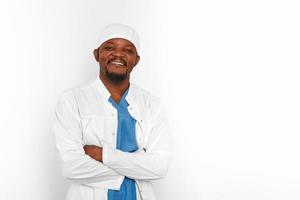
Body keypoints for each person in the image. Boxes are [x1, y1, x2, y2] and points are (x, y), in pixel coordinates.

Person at [53, 23, 171, 200]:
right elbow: (71, 166)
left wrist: (102, 154)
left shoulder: (152, 103)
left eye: (128, 50)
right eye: (109, 47)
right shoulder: (72, 100)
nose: (118, 54)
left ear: (137, 60)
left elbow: (159, 167)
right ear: (96, 54)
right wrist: (138, 167)